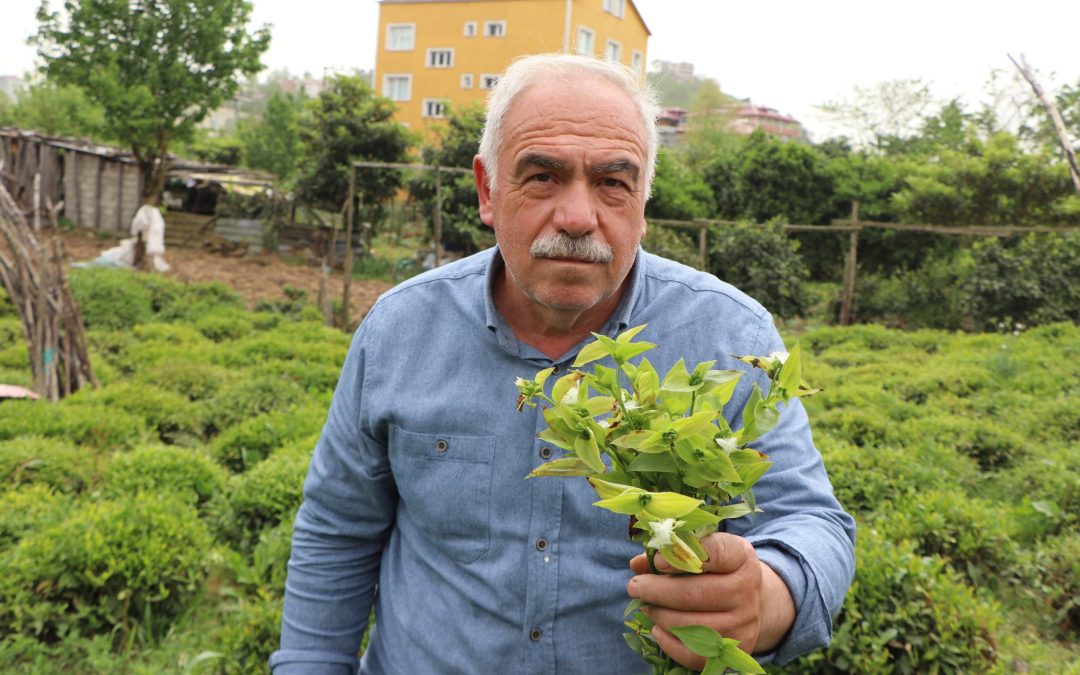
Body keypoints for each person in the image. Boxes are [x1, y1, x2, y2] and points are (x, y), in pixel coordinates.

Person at [270, 53, 855, 674]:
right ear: (488, 191)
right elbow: (337, 530)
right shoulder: (400, 330)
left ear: (643, 201)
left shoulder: (728, 335)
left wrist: (767, 595)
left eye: (612, 181)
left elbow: (811, 520)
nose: (578, 217)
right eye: (543, 175)